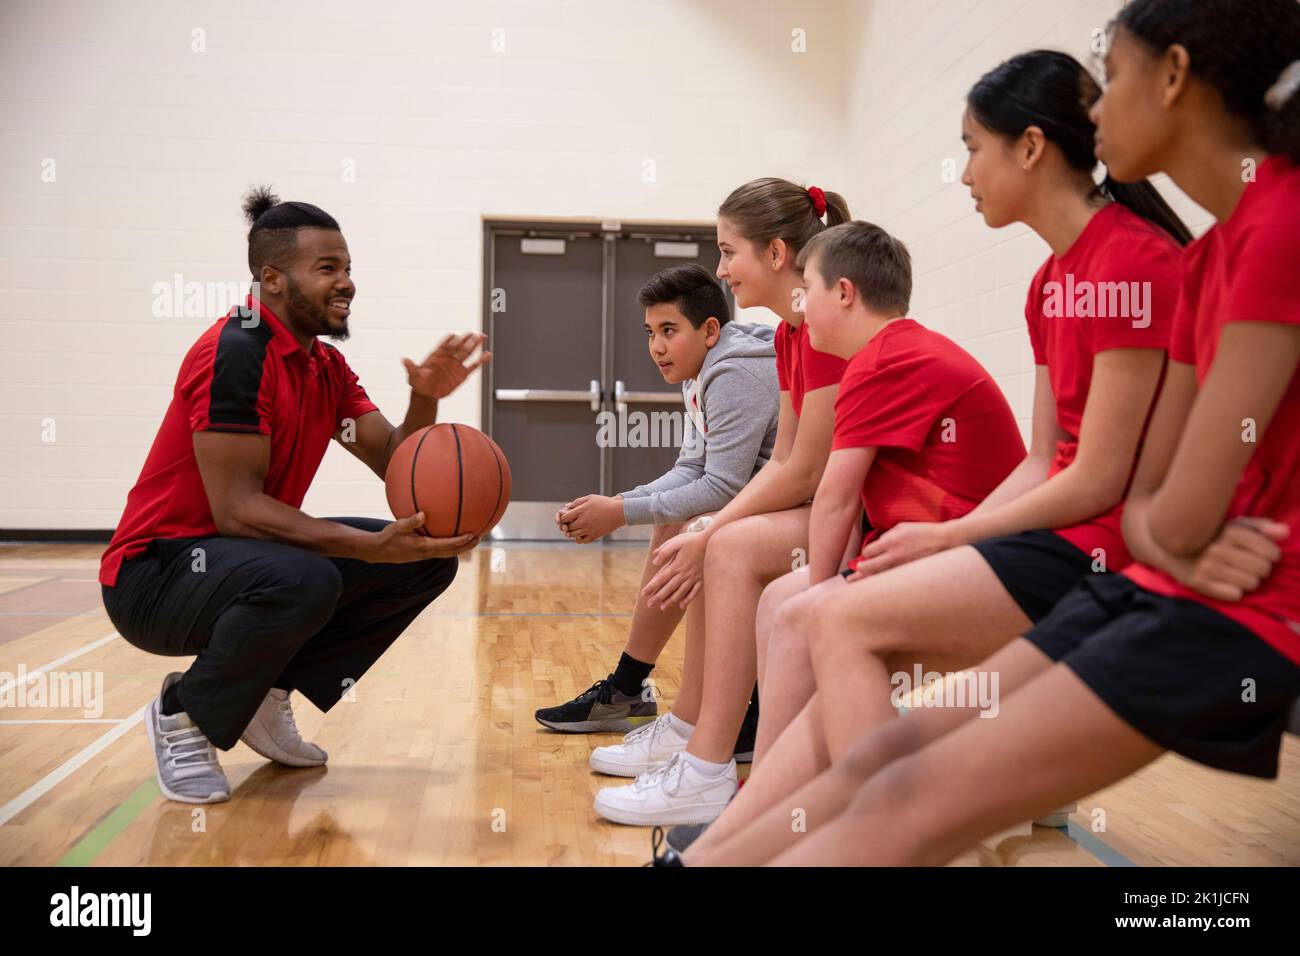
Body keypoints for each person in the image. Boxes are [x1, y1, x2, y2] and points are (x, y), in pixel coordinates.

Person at [680, 0, 1300, 867]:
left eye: (1112, 78)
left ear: (1174, 77)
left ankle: (823, 817)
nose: (1095, 107)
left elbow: (1137, 498)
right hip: (1139, 571)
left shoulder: (1192, 250)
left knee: (853, 670)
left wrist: (957, 532)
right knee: (872, 717)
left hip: (1181, 593)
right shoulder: (1160, 265)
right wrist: (1169, 535)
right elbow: (1138, 500)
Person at [100, 187, 485, 804]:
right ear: (272, 279)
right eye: (328, 268)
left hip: (239, 557)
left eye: (349, 267)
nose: (347, 282)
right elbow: (238, 510)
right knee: (307, 579)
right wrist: (366, 545)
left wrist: (426, 397)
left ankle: (265, 692)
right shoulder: (235, 352)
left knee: (423, 561)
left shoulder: (322, 367)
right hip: (155, 576)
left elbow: (395, 464)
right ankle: (185, 715)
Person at [590, 178, 852, 825]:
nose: (722, 267)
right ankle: (689, 727)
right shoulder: (791, 335)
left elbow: (806, 471)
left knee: (721, 539)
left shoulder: (811, 334)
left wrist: (711, 528)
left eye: (729, 250)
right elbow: (790, 463)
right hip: (823, 501)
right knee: (708, 529)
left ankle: (707, 767)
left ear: (777, 252)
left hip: (864, 511)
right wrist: (705, 525)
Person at [535, 263, 779, 749]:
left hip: (796, 510)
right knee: (673, 524)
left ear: (710, 330)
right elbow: (691, 470)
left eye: (669, 331)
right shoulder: (700, 372)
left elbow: (722, 487)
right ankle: (628, 689)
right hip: (759, 505)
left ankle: (730, 709)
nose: (657, 347)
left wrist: (619, 514)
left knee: (692, 530)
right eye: (650, 333)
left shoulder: (736, 371)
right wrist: (618, 502)